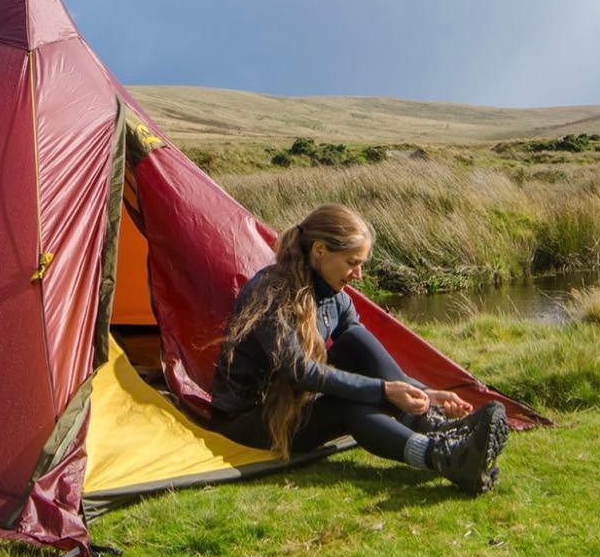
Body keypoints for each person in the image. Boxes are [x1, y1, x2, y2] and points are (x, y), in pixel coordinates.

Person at [210, 203, 508, 494]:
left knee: (355, 341)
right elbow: (299, 371)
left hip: (292, 404)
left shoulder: (335, 296)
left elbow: (368, 357)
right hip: (249, 421)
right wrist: (385, 391)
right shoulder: (271, 293)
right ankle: (442, 456)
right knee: (346, 402)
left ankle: (434, 424)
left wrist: (423, 393)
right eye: (352, 263)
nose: (359, 274)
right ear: (319, 251)